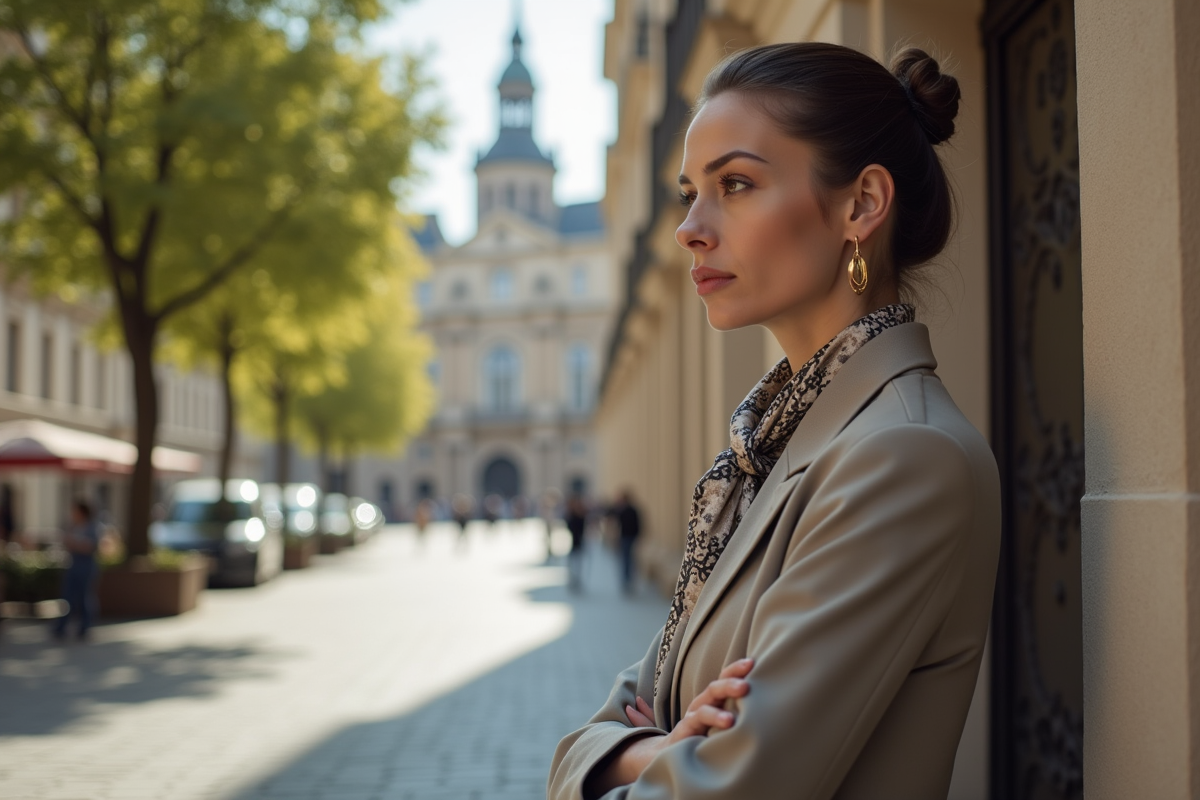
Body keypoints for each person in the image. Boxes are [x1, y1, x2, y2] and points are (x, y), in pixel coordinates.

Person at [549, 43, 1000, 800]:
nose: (690, 228)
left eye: (735, 184)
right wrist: (646, 751)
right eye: (690, 192)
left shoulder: (902, 457)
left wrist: (629, 754)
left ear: (861, 205)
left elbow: (729, 786)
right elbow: (602, 725)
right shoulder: (763, 451)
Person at [54, 500, 101, 642]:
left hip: (86, 567)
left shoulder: (91, 527)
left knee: (85, 597)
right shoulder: (73, 526)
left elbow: (91, 546)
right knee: (67, 596)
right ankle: (61, 626)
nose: (72, 514)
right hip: (73, 565)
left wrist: (76, 544)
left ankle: (84, 627)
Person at [610, 490, 642, 594]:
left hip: (627, 537)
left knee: (626, 559)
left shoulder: (625, 511)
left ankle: (627, 581)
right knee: (628, 559)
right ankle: (627, 581)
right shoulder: (629, 510)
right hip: (628, 537)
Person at [564, 494, 588, 593]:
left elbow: (581, 529)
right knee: (573, 564)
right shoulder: (572, 516)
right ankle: (573, 581)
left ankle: (576, 581)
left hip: (578, 543)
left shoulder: (580, 516)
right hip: (573, 543)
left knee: (577, 564)